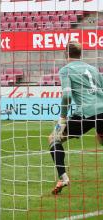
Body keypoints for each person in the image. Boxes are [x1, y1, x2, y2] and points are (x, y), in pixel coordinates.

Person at [49, 41, 103, 194]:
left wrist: (63, 118)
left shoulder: (66, 70)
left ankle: (63, 177)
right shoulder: (93, 69)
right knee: (101, 140)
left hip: (86, 113)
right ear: (81, 54)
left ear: (66, 54)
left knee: (54, 139)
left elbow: (67, 95)